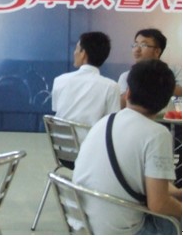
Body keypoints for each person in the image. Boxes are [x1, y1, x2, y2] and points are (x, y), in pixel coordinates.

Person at [73, 59, 181, 234]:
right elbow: (159, 204)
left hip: (84, 222)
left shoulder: (106, 121)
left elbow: (141, 180)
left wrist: (177, 193)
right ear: (165, 101)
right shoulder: (157, 134)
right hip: (120, 230)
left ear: (128, 92)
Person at [52, 31, 120, 142]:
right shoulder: (111, 87)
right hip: (92, 147)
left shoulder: (59, 80)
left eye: (77, 48)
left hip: (61, 146)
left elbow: (56, 109)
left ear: (83, 53)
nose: (74, 53)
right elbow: (111, 122)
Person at [118, 28, 182, 105]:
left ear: (157, 51)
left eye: (143, 45)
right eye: (135, 44)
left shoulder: (176, 71)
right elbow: (122, 104)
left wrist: (150, 84)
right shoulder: (126, 76)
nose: (137, 49)